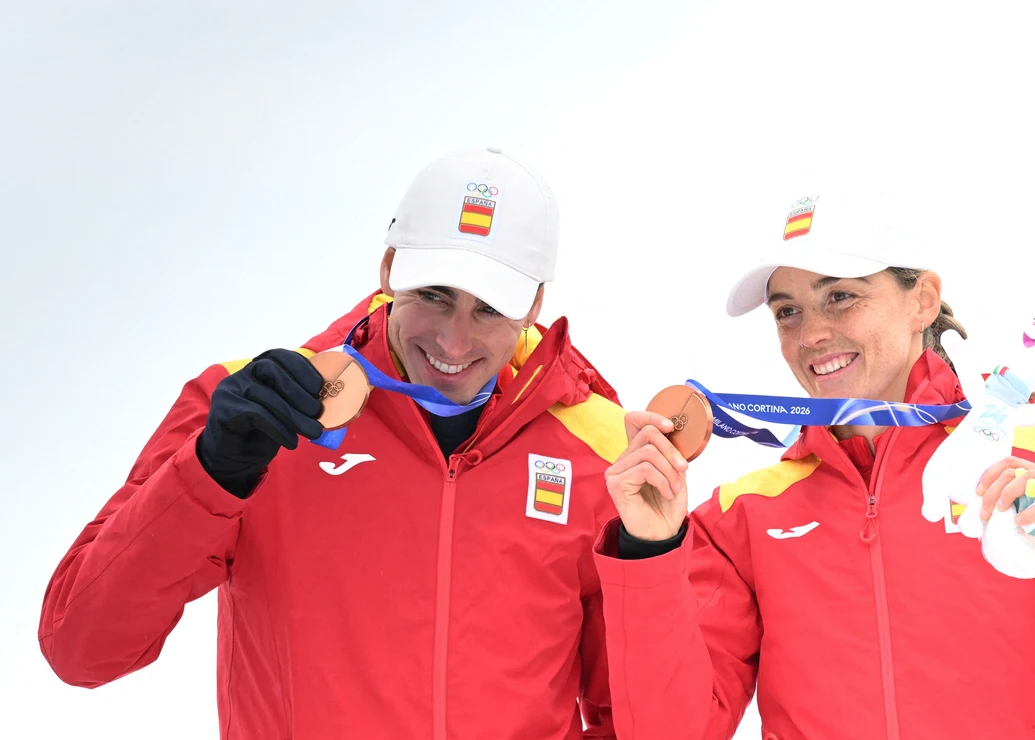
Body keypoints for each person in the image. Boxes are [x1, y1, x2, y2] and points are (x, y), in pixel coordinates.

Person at [593, 192, 1035, 739]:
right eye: (787, 312)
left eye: (840, 296)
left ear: (921, 300)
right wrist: (647, 550)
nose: (810, 334)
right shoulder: (746, 511)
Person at [39, 147, 627, 739]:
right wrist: (209, 473)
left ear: (534, 306)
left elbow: (631, 719)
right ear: (391, 268)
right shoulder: (253, 411)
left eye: (490, 309)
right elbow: (81, 648)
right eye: (434, 295)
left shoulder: (600, 451)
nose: (454, 342)